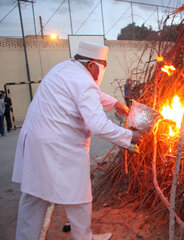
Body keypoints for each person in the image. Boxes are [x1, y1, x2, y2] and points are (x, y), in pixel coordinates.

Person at [12, 41, 143, 240]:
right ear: (92, 66)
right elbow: (97, 124)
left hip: (35, 141)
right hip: (60, 148)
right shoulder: (84, 82)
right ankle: (83, 238)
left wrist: (114, 103)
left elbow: (86, 92)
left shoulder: (63, 68)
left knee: (34, 196)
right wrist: (130, 136)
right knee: (79, 199)